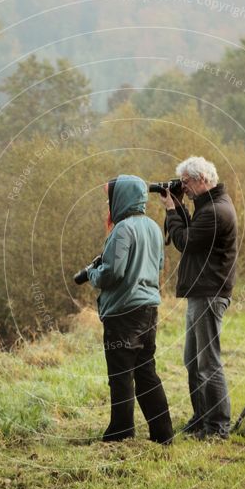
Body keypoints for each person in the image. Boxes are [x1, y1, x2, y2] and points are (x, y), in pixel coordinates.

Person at [87, 175, 174, 445]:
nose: (108, 202)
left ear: (121, 198)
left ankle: (120, 432)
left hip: (124, 312)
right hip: (149, 309)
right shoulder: (152, 227)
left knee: (121, 375)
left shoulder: (123, 229)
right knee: (146, 372)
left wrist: (93, 274)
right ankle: (163, 433)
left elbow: (112, 272)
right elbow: (158, 265)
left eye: (110, 197)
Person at [158, 156, 237, 439]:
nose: (184, 188)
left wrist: (170, 210)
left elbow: (185, 242)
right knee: (192, 360)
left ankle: (217, 427)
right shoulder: (209, 207)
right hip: (201, 293)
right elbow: (192, 232)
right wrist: (179, 205)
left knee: (208, 362)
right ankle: (201, 418)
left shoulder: (216, 212)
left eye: (187, 183)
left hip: (209, 293)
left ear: (202, 179)